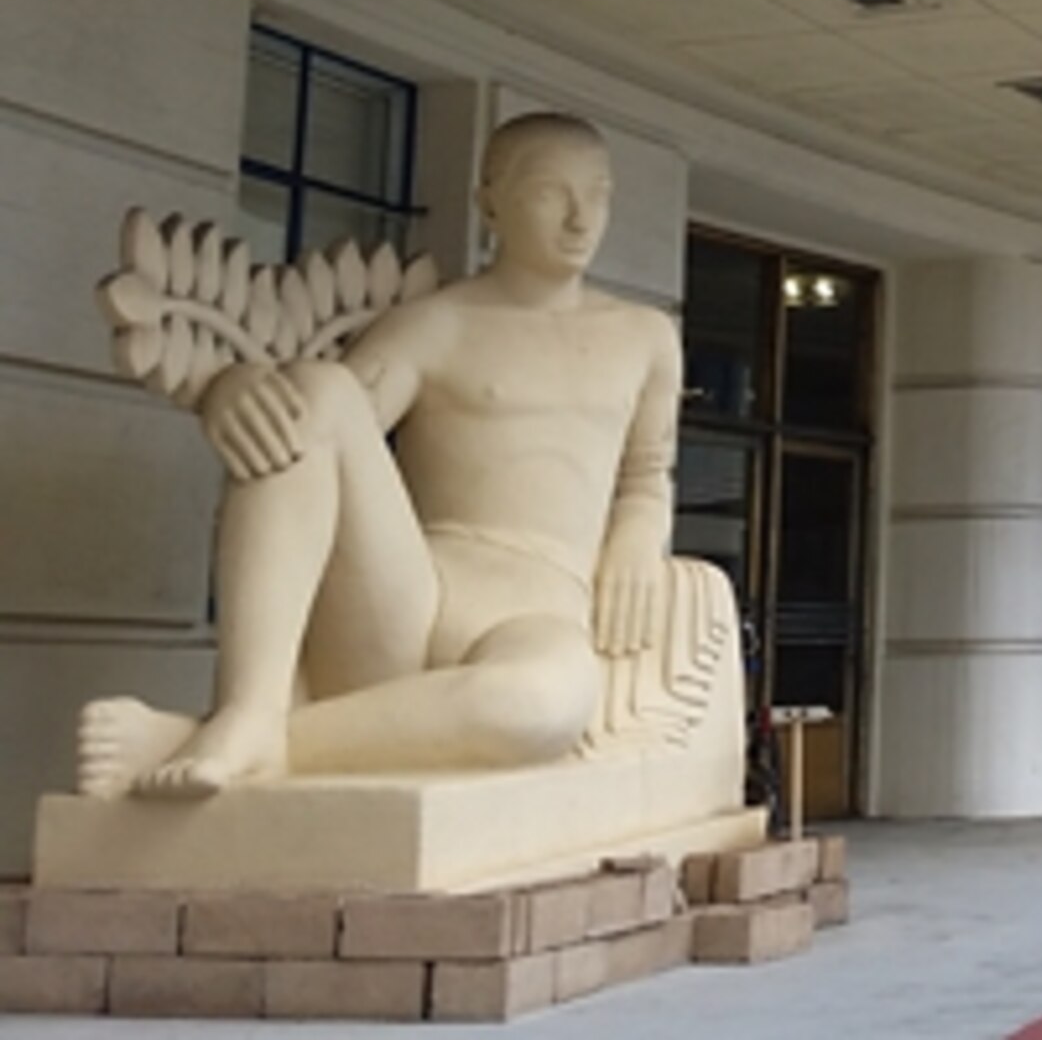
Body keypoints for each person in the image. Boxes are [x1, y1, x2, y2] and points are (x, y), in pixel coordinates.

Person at [77, 113, 681, 798]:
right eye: (551, 192)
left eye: (598, 193)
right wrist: (232, 387)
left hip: (540, 613)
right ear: (490, 203)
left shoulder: (645, 337)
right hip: (409, 596)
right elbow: (325, 429)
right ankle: (252, 702)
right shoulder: (439, 323)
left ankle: (260, 739)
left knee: (538, 705)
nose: (581, 218)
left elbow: (646, 471)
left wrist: (640, 531)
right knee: (316, 392)